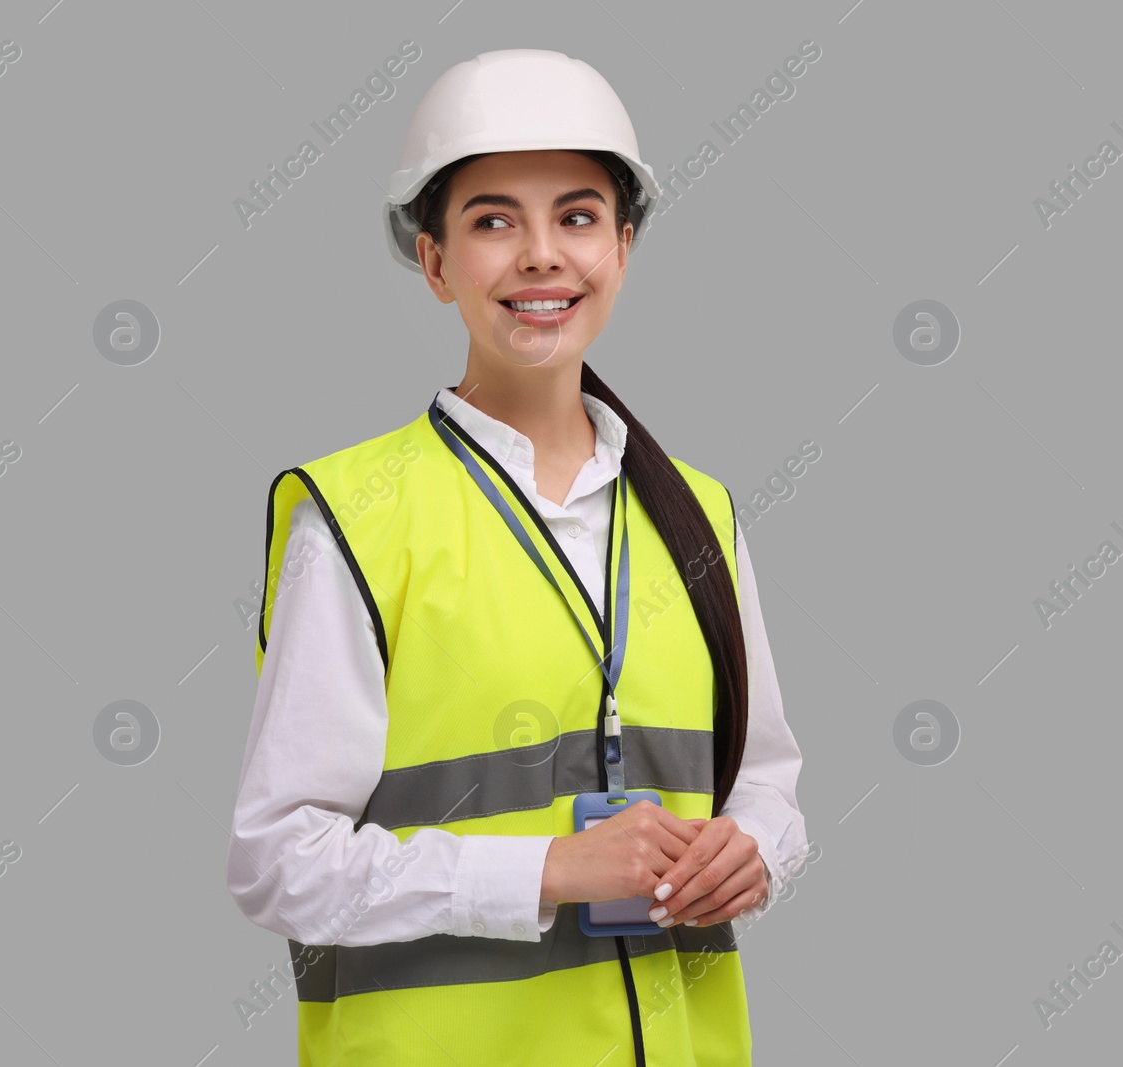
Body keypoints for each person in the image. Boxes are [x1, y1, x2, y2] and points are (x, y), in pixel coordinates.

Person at [227, 49, 807, 1066]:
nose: (541, 254)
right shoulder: (358, 518)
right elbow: (277, 862)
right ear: (436, 260)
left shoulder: (697, 511)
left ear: (623, 247)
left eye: (577, 216)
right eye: (493, 219)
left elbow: (762, 778)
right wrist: (547, 868)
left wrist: (752, 849)